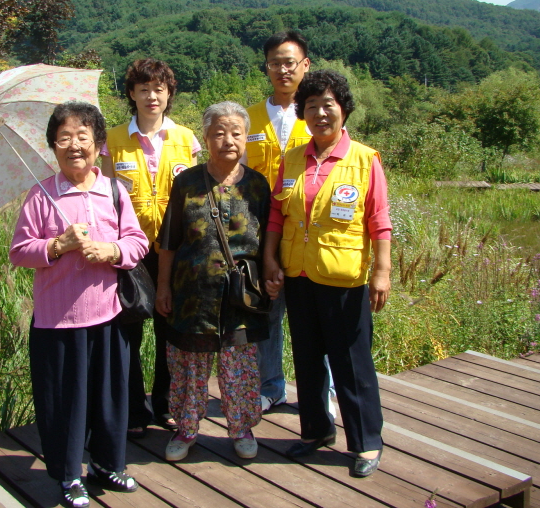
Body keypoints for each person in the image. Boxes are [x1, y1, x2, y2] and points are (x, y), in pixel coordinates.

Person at [9, 101, 149, 507]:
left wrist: (110, 250)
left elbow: (137, 242)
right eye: (64, 138)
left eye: (82, 136)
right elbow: (20, 251)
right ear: (53, 147)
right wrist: (57, 245)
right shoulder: (41, 195)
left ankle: (107, 465)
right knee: (65, 403)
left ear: (99, 144)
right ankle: (69, 475)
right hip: (59, 320)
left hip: (109, 316)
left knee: (110, 397)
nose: (74, 145)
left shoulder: (114, 190)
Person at [263, 70, 391, 477]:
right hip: (298, 275)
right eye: (312, 106)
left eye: (328, 105)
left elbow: (379, 220)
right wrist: (270, 258)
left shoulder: (364, 159)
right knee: (306, 357)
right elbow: (277, 214)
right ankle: (316, 432)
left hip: (343, 278)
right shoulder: (293, 158)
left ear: (344, 110)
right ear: (302, 112)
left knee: (351, 361)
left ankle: (367, 442)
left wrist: (382, 272)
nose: (320, 113)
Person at [156, 101, 270, 462]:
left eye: (236, 132)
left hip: (240, 299)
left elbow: (269, 239)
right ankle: (186, 428)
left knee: (240, 368)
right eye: (218, 132)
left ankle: (241, 428)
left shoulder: (257, 185)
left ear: (245, 137)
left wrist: (271, 275)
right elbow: (170, 241)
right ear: (205, 137)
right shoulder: (186, 182)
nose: (228, 139)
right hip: (192, 296)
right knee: (189, 366)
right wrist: (162, 287)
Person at [101, 58, 201, 438]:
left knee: (169, 330)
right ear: (131, 94)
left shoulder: (186, 138)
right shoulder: (112, 140)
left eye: (159, 89)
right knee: (127, 331)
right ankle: (132, 410)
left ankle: (165, 404)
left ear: (169, 93)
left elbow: (192, 194)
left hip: (175, 250)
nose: (151, 96)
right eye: (143, 89)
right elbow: (106, 196)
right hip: (129, 248)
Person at [243, 30, 312, 413]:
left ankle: (321, 390)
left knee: (311, 318)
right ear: (266, 67)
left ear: (305, 66)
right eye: (275, 63)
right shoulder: (247, 117)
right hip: (258, 235)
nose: (283, 70)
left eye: (290, 62)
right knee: (267, 312)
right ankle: (271, 386)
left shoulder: (318, 113)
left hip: (307, 234)